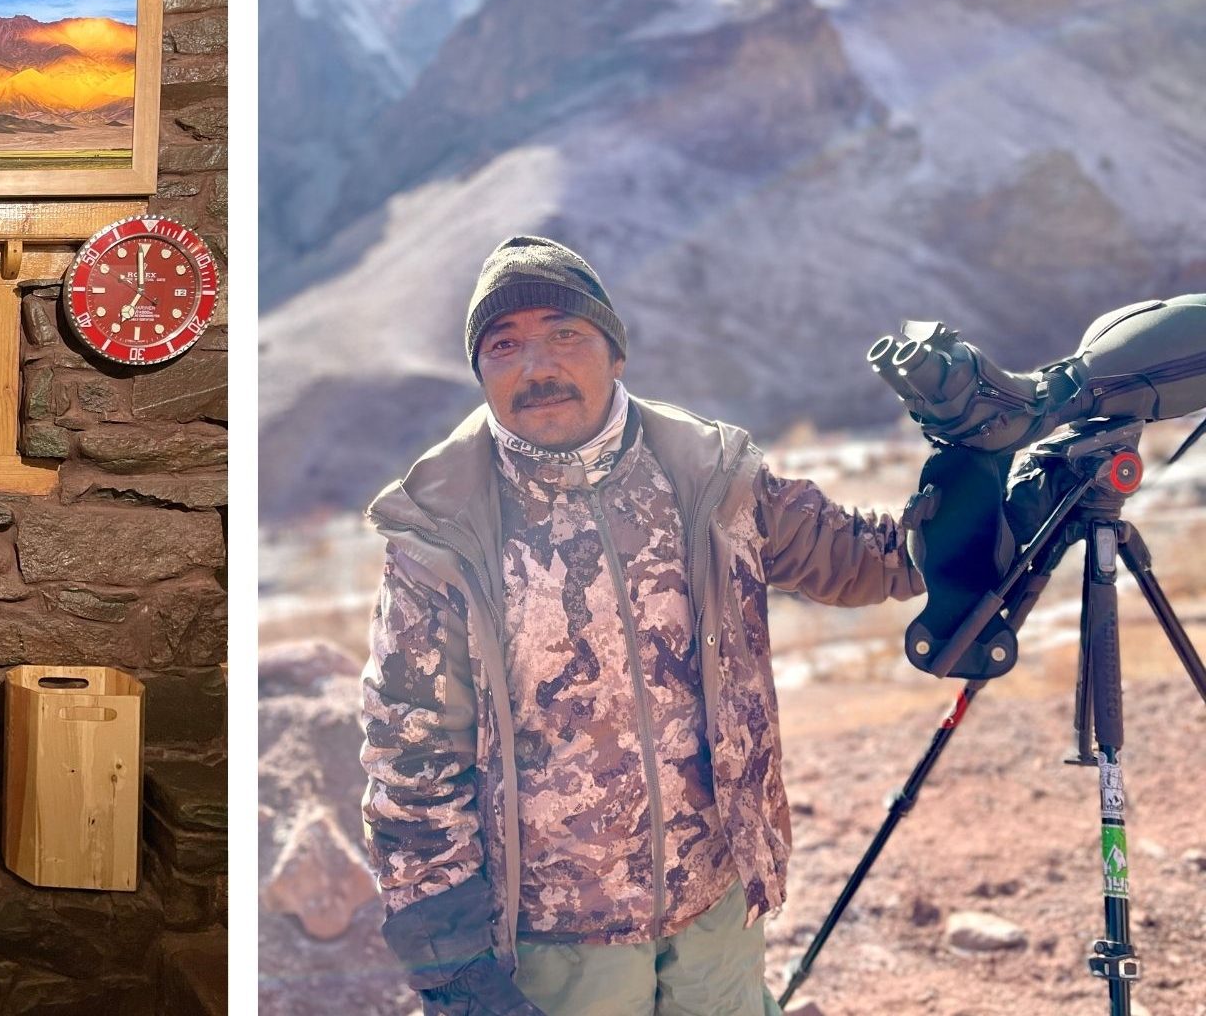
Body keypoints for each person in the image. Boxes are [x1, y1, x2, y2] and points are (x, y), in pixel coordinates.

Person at [360, 236, 924, 1015]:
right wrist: (453, 968)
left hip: (716, 902)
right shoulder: (443, 533)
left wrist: (981, 517)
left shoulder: (709, 476)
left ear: (615, 353)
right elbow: (412, 759)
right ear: (481, 372)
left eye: (565, 334)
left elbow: (856, 556)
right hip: (555, 942)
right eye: (504, 345)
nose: (537, 366)